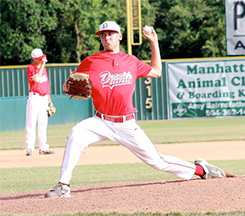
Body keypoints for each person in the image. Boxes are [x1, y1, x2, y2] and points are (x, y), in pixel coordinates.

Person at [45, 21, 226, 198]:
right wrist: (70, 86)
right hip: (100, 121)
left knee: (157, 162)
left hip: (126, 123)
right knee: (76, 133)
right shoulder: (91, 61)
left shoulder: (131, 61)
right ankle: (63, 185)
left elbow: (156, 71)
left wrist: (153, 42)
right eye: (103, 35)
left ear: (120, 37)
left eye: (110, 34)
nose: (107, 38)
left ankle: (201, 169)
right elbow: (74, 82)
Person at [25, 48, 55, 156]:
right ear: (34, 59)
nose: (42, 60)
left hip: (43, 98)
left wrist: (49, 102)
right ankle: (29, 147)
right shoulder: (31, 68)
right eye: (40, 59)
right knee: (31, 123)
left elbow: (45, 86)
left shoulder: (44, 69)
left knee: (43, 123)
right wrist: (42, 66)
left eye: (42, 58)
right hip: (34, 97)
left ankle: (43, 148)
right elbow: (37, 79)